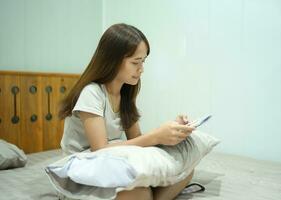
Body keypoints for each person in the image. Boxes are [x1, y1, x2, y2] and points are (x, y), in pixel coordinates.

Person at [58, 23, 195, 200]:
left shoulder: (124, 94)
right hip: (82, 172)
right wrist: (156, 136)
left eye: (143, 61)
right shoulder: (91, 93)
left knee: (185, 171)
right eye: (135, 62)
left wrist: (172, 131)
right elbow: (99, 149)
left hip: (109, 166)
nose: (141, 69)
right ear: (112, 60)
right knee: (142, 194)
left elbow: (137, 139)